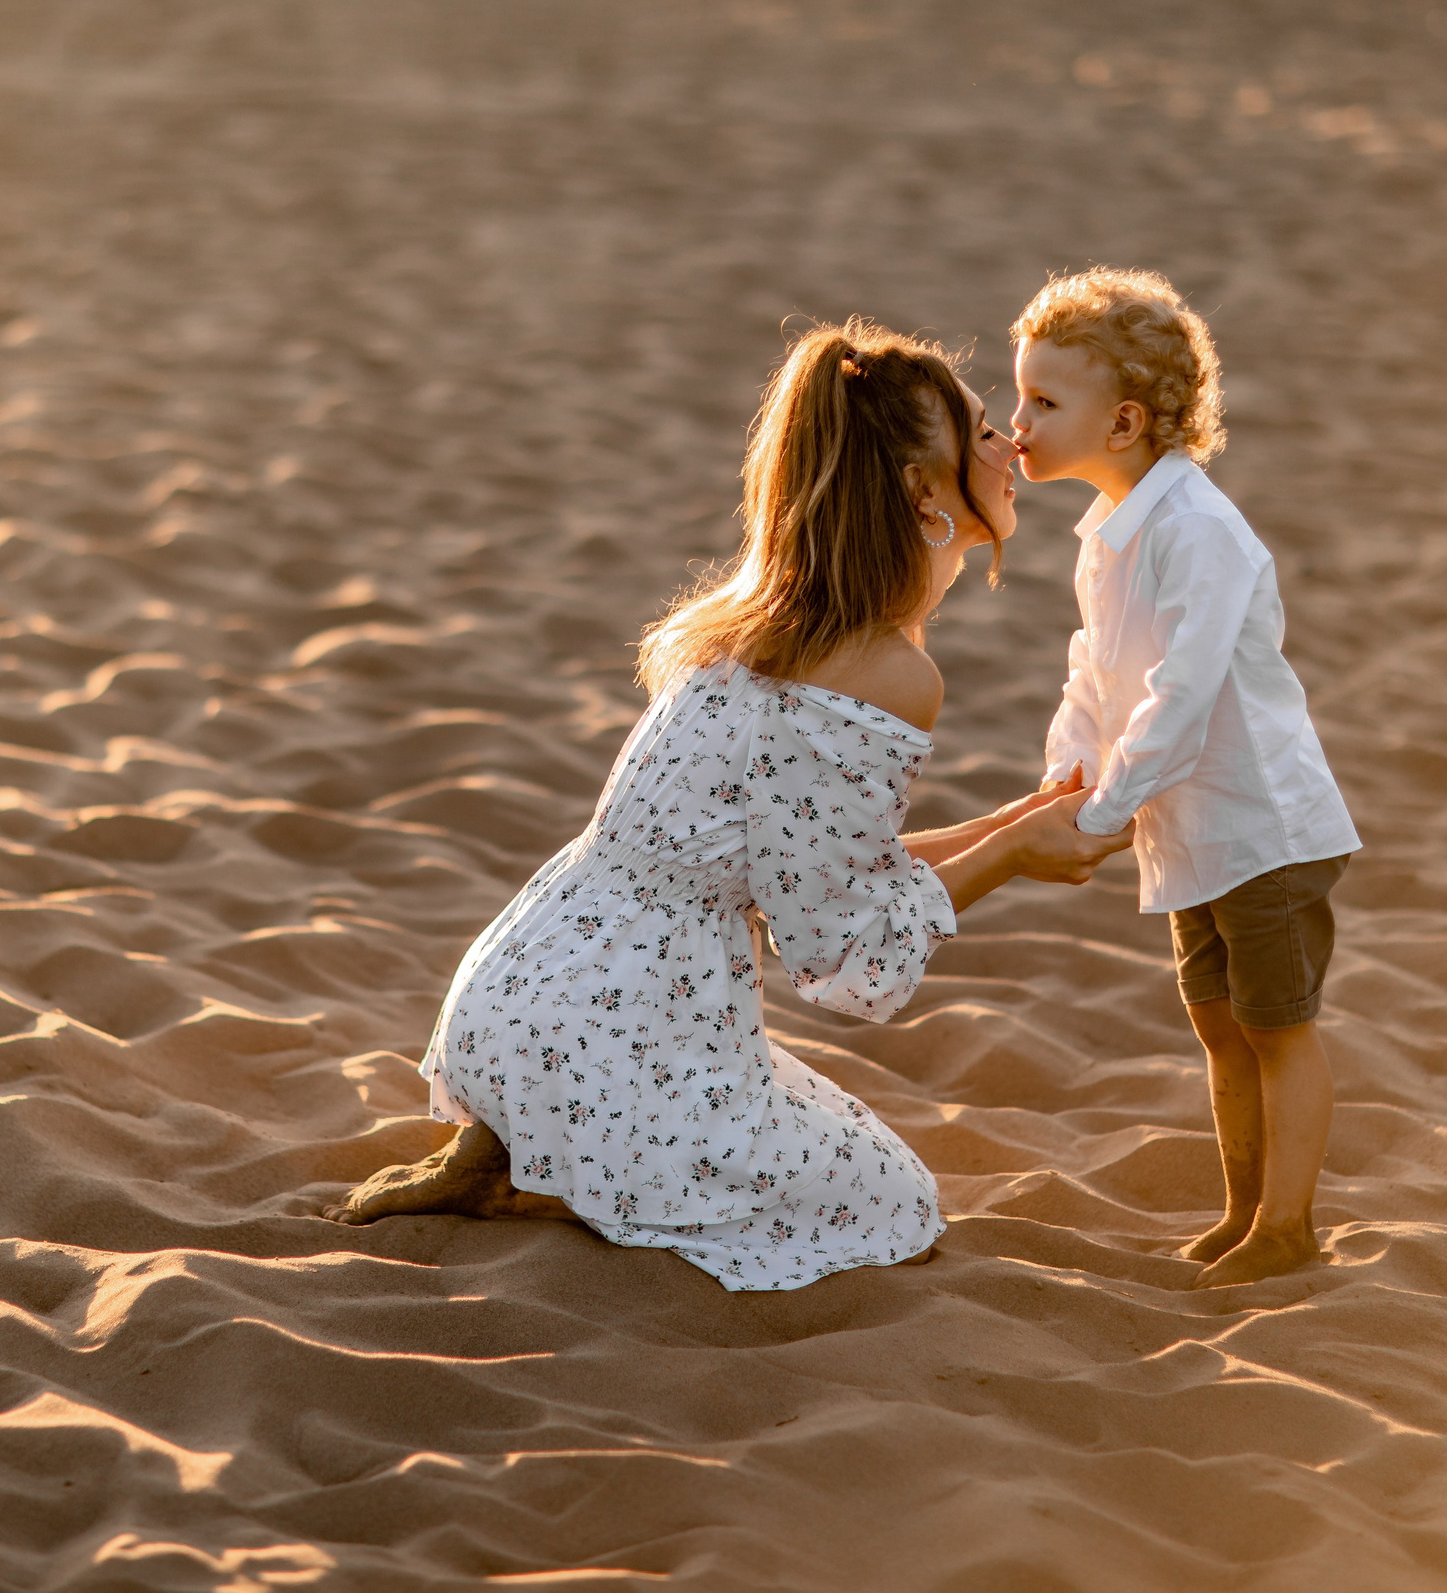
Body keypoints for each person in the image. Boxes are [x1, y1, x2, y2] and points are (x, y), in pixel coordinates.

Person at [327, 318, 1129, 1290]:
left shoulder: (762, 628)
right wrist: (1014, 858)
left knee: (823, 1140)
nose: (1008, 439)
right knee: (892, 1200)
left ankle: (522, 1154)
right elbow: (836, 950)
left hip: (518, 1000)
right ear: (924, 495)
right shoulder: (884, 668)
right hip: (619, 1029)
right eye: (979, 431)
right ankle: (571, 1183)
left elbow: (814, 855)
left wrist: (1013, 819)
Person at [1009, 268, 1361, 1290]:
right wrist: (1064, 781)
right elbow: (1096, 667)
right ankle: (1243, 1210)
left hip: (1262, 827)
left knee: (1274, 1026)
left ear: (1121, 423)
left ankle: (1287, 1227)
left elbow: (1187, 686)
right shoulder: (1109, 532)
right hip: (1188, 827)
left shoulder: (1196, 530)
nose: (1015, 421)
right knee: (1217, 1023)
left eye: (1041, 402)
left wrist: (1110, 807)